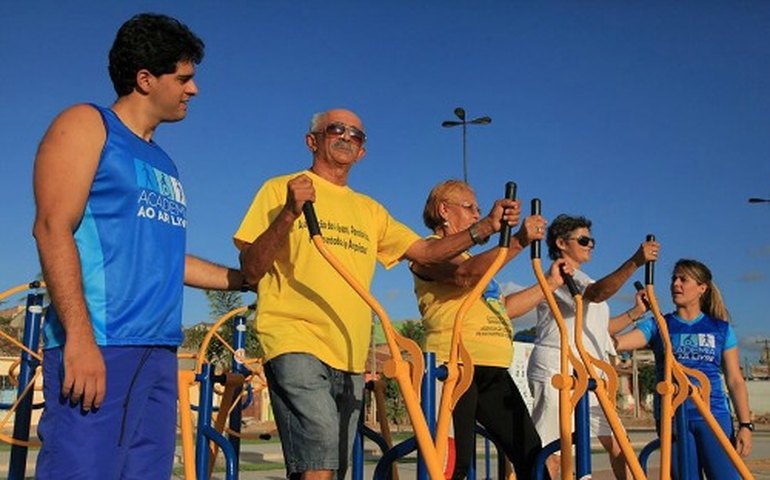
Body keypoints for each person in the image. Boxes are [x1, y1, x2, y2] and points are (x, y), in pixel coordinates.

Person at [233, 109, 517, 480]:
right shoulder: (279, 189)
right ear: (311, 140)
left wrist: (486, 228)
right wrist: (289, 213)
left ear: (363, 151)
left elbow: (425, 252)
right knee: (319, 455)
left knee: (335, 464)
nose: (346, 136)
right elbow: (251, 269)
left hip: (350, 351)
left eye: (356, 134)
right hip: (294, 338)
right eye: (336, 129)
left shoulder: (370, 210)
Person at [32, 13, 244, 479]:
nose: (194, 90)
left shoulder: (164, 162)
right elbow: (51, 227)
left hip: (159, 349)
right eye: (183, 78)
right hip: (101, 343)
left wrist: (244, 280)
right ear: (145, 79)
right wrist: (80, 339)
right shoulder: (87, 124)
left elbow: (167, 258)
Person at [410, 179, 574, 480]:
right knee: (452, 466)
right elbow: (464, 275)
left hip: (492, 367)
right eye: (470, 207)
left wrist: (550, 283)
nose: (477, 214)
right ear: (444, 210)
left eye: (478, 209)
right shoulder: (428, 251)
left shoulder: (477, 262)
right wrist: (519, 241)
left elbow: (504, 307)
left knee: (532, 456)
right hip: (453, 366)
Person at [526, 214, 659, 479]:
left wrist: (635, 312)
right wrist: (635, 261)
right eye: (583, 240)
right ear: (561, 243)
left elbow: (599, 329)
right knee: (555, 451)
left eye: (592, 241)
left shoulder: (583, 277)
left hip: (591, 373)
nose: (590, 245)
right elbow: (597, 294)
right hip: (559, 366)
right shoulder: (561, 273)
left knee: (619, 443)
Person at [614, 259, 752, 479]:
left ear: (702, 288)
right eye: (674, 279)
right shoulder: (658, 325)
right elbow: (614, 343)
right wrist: (636, 311)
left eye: (683, 279)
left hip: (713, 415)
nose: (675, 284)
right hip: (672, 418)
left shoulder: (720, 329)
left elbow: (735, 380)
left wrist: (745, 425)